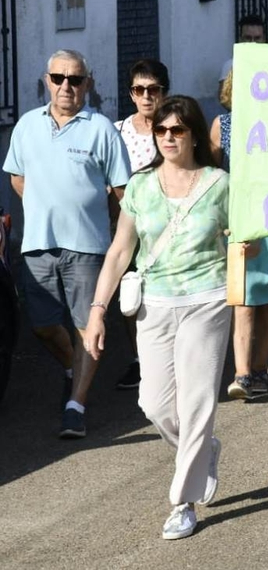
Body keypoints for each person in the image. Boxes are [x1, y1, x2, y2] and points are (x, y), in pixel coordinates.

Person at [82, 95, 230, 540]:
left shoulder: (220, 184)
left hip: (207, 299)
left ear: (193, 135)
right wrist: (97, 311)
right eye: (161, 130)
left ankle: (183, 502)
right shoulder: (141, 186)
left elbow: (246, 241)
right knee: (154, 404)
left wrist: (252, 244)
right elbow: (120, 251)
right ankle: (201, 450)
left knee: (195, 403)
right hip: (154, 304)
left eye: (177, 130)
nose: (167, 137)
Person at [4, 50, 132, 438]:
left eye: (75, 80)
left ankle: (76, 405)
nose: (66, 86)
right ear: (47, 80)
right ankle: (73, 369)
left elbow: (121, 191)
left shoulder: (101, 129)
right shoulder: (26, 125)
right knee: (42, 326)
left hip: (87, 246)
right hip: (37, 244)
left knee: (85, 326)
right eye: (59, 78)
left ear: (87, 84)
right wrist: (45, 205)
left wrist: (105, 222)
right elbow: (17, 177)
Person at [210, 67, 268, 398]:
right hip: (238, 219)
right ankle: (243, 373)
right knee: (243, 296)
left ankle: (260, 369)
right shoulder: (223, 124)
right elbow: (212, 173)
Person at [112, 58, 171, 390]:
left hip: (168, 230)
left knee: (166, 295)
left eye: (153, 89)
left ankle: (169, 359)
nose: (146, 96)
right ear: (131, 93)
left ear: (164, 92)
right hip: (129, 228)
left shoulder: (175, 128)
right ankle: (139, 360)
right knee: (131, 296)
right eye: (139, 90)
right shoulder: (117, 131)